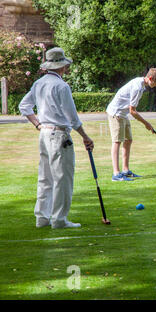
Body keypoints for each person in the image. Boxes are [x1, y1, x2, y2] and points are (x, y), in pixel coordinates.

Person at [19, 47, 94, 229]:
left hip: (44, 134)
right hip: (59, 135)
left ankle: (42, 218)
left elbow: (24, 106)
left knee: (45, 177)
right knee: (62, 178)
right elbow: (72, 117)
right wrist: (85, 136)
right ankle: (59, 219)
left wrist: (38, 125)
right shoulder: (62, 86)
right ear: (62, 67)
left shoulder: (39, 83)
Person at [106, 68, 156, 181]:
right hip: (116, 113)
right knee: (117, 141)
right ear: (150, 78)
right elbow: (133, 111)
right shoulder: (137, 87)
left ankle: (125, 171)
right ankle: (116, 174)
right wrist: (146, 123)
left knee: (128, 140)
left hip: (123, 114)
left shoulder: (141, 84)